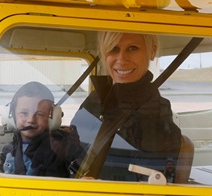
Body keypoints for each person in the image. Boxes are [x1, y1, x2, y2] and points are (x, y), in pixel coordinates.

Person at [71, 32, 182, 182]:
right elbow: (72, 151)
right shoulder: (95, 100)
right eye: (113, 49)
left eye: (132, 48)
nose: (121, 59)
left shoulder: (156, 110)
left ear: (152, 51)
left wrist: (100, 187)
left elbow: (154, 176)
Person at [0, 81, 82, 177]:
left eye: (39, 114)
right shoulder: (9, 150)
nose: (31, 120)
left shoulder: (60, 149)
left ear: (52, 118)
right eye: (24, 113)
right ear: (11, 116)